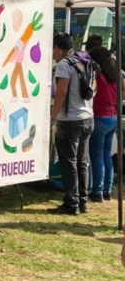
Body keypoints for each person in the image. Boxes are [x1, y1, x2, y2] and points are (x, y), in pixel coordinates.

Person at [49, 32, 95, 215]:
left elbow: (61, 92)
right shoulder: (85, 61)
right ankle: (83, 201)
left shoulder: (64, 64)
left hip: (70, 120)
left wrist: (53, 117)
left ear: (57, 48)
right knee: (82, 161)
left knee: (69, 162)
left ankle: (71, 203)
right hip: (87, 117)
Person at [88, 46, 119, 203]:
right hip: (113, 116)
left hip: (99, 116)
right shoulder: (115, 75)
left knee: (97, 156)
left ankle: (97, 191)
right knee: (106, 155)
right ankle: (107, 190)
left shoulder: (97, 75)